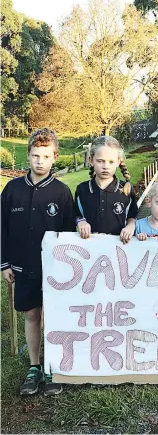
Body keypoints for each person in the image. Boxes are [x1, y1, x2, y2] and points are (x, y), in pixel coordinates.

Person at [1, 128, 75, 396]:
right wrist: (4, 263)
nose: (39, 161)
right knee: (32, 314)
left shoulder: (61, 192)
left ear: (55, 157)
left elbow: (70, 232)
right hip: (23, 265)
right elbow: (3, 228)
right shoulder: (12, 190)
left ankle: (53, 366)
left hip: (56, 269)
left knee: (54, 316)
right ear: (28, 156)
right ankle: (34, 366)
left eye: (45, 156)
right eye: (35, 155)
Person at [75, 136, 137, 243]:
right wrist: (81, 222)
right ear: (91, 160)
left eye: (111, 162)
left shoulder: (126, 190)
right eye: (100, 161)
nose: (105, 166)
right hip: (89, 249)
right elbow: (76, 214)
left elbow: (132, 216)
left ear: (118, 162)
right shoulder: (82, 189)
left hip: (118, 248)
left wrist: (130, 226)